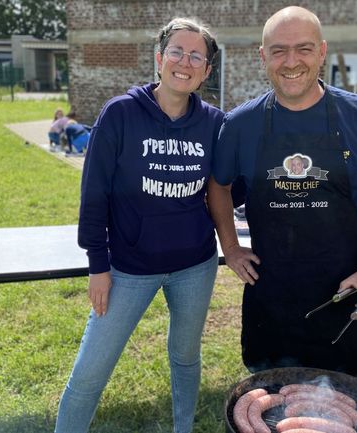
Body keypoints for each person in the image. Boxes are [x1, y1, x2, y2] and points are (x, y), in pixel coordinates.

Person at [207, 6, 357, 385]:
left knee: (350, 405)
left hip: (346, 296)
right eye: (278, 50)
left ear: (322, 51)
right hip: (271, 298)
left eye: (304, 49)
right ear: (263, 56)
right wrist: (230, 248)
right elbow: (218, 186)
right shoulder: (240, 125)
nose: (291, 61)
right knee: (272, 405)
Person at [55, 17, 223, 433]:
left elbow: (225, 190)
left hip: (194, 266)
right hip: (127, 267)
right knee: (91, 371)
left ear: (207, 70)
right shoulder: (120, 114)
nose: (185, 62)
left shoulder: (215, 124)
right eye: (176, 52)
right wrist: (98, 265)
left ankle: (182, 427)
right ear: (159, 58)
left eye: (196, 56)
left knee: (185, 356)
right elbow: (94, 194)